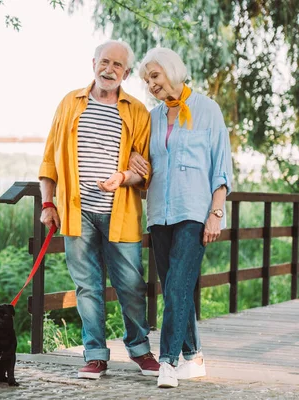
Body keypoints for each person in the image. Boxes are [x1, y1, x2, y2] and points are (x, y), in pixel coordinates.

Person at [38, 40, 159, 379]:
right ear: (93, 63)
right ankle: (95, 355)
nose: (109, 70)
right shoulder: (69, 103)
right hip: (78, 214)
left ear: (127, 72)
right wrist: (48, 203)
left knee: (131, 285)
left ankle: (139, 349)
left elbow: (145, 170)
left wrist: (125, 176)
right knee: (88, 288)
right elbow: (49, 159)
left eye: (117, 65)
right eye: (104, 62)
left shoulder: (136, 111)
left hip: (120, 214)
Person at [130, 47, 233, 388]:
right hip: (160, 212)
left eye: (155, 77)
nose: (151, 85)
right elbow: (144, 163)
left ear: (173, 71)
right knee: (177, 284)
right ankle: (194, 356)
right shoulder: (153, 117)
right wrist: (134, 163)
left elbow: (221, 167)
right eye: (147, 80)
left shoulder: (207, 110)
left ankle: (168, 362)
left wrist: (216, 212)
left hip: (194, 211)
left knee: (175, 285)